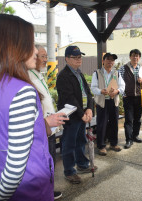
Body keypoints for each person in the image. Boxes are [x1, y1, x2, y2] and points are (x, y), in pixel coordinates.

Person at [0, 14, 53, 200]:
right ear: (14, 47)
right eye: (31, 44)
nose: (36, 52)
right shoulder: (22, 91)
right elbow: (15, 169)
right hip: (29, 191)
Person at [28, 45, 68, 200]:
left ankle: (49, 190)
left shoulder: (38, 74)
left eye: (45, 56)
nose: (45, 59)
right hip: (42, 127)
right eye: (41, 56)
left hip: (49, 125)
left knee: (50, 160)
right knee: (45, 162)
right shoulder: (27, 76)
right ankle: (45, 192)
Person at [56, 46, 96, 184]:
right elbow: (69, 98)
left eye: (80, 57)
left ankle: (82, 165)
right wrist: (82, 114)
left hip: (82, 115)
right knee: (69, 143)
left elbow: (88, 94)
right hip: (72, 116)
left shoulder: (79, 73)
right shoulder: (63, 76)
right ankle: (69, 171)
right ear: (67, 59)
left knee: (81, 141)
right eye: (75, 57)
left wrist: (89, 109)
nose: (79, 59)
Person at [91, 53, 125, 156]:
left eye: (112, 60)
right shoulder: (97, 73)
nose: (110, 62)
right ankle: (101, 146)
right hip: (102, 102)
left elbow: (123, 86)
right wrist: (101, 91)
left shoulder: (116, 73)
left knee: (114, 123)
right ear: (103, 61)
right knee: (102, 124)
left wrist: (117, 91)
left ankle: (113, 144)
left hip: (113, 101)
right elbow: (93, 87)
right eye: (108, 60)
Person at [119, 49, 142, 149]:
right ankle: (128, 140)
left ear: (139, 57)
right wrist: (123, 94)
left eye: (137, 56)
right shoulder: (123, 68)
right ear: (130, 57)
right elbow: (119, 82)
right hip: (128, 97)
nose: (135, 57)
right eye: (133, 55)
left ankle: (135, 136)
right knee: (128, 120)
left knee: (138, 119)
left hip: (139, 97)